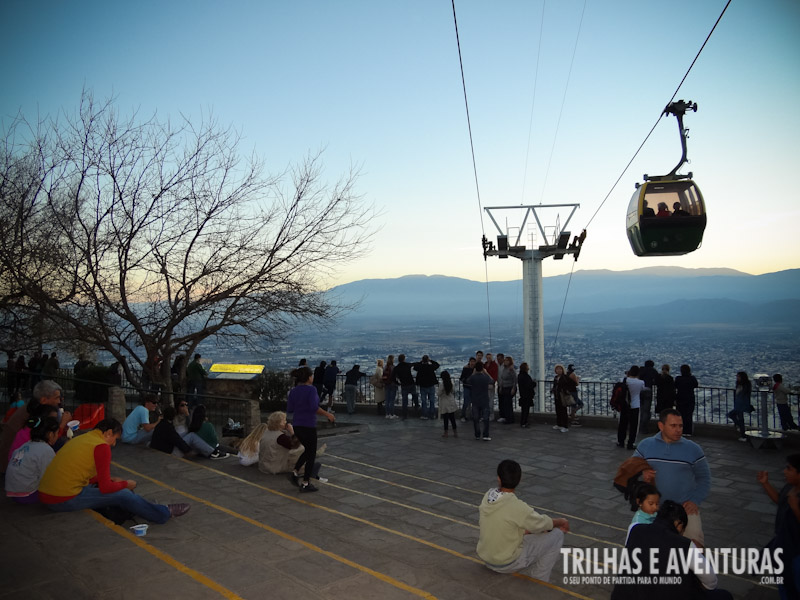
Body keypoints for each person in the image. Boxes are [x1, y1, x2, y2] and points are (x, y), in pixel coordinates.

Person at [38, 418, 190, 523]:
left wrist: (110, 480)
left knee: (113, 487)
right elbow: (106, 488)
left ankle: (145, 506)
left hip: (47, 495)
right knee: (122, 494)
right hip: (62, 499)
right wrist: (126, 484)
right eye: (115, 438)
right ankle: (163, 513)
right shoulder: (101, 447)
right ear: (108, 433)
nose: (114, 444)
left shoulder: (82, 438)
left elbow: (81, 475)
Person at [611, 500, 732, 600]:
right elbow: (711, 582)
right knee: (724, 596)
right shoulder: (685, 545)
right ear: (678, 524)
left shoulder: (634, 529)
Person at [477, 459, 568, 582]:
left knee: (532, 530)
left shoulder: (488, 495)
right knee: (557, 535)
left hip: (487, 558)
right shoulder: (517, 506)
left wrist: (538, 530)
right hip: (505, 563)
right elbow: (543, 523)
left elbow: (512, 524)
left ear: (499, 478)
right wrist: (561, 521)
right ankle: (539, 580)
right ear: (520, 480)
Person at [634, 409, 711, 546]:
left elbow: (704, 478)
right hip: (655, 510)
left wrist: (695, 500)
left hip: (685, 509)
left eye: (680, 426)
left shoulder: (693, 449)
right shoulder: (646, 446)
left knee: (696, 548)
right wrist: (642, 474)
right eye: (673, 426)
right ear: (661, 426)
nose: (678, 430)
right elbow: (631, 471)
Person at [0, 380, 70, 475]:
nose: (59, 401)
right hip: (19, 467)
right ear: (44, 400)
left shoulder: (31, 408)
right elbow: (49, 440)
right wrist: (62, 425)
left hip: (14, 463)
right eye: (57, 398)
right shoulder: (37, 417)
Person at [757, 454, 800, 599]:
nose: (785, 472)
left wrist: (795, 509)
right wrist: (765, 484)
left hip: (796, 549)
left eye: (789, 469)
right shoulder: (790, 488)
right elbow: (779, 501)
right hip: (783, 543)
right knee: (783, 583)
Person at [286, 366, 334, 492]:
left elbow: (290, 408)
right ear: (308, 377)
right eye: (311, 375)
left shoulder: (294, 391)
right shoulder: (311, 390)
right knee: (311, 453)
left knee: (308, 451)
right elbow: (314, 407)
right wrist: (327, 414)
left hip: (297, 424)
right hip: (308, 425)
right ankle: (306, 482)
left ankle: (295, 472)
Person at [258, 411, 327, 482]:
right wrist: (292, 432)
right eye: (284, 420)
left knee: (295, 453)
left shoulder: (266, 432)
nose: (286, 422)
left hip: (264, 466)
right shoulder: (280, 437)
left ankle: (312, 456)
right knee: (300, 450)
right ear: (279, 423)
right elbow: (296, 445)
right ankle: (312, 461)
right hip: (275, 467)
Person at [5, 416, 60, 504]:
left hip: (13, 494)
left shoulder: (26, 445)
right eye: (57, 433)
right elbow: (48, 477)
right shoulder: (46, 450)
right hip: (28, 495)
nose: (57, 436)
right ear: (50, 434)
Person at [151, 406, 227, 459]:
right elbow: (177, 440)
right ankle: (213, 452)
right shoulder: (168, 428)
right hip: (169, 452)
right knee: (192, 436)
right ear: (173, 416)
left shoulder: (161, 424)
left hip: (162, 449)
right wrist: (188, 450)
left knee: (187, 433)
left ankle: (205, 450)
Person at [618, 366, 645, 449]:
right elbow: (642, 390)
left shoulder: (624, 380)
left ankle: (621, 442)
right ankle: (631, 443)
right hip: (635, 405)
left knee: (623, 424)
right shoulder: (641, 382)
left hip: (625, 405)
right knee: (634, 426)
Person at [468, 362, 494, 441]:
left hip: (475, 400)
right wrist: (486, 373)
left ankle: (477, 435)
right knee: (486, 418)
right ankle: (485, 435)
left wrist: (473, 373)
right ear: (482, 368)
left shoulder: (473, 377)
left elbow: (467, 381)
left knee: (476, 419)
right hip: (484, 400)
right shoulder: (485, 377)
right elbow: (492, 381)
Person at [675, 364, 699, 437]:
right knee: (688, 415)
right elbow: (696, 385)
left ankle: (680, 430)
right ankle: (688, 431)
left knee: (680, 415)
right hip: (690, 398)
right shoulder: (692, 378)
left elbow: (675, 385)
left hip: (680, 398)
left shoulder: (678, 378)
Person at [413, 355, 440, 420]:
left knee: (424, 401)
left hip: (423, 386)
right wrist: (430, 360)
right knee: (432, 401)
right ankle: (432, 414)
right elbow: (437, 365)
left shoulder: (420, 367)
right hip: (431, 385)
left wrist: (421, 362)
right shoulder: (430, 367)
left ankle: (424, 414)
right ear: (427, 360)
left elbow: (415, 367)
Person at [727, 371, 752, 442]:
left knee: (733, 415)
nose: (737, 378)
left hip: (742, 404)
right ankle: (742, 430)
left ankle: (742, 432)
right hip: (739, 403)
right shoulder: (739, 384)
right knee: (740, 419)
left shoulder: (746, 385)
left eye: (738, 376)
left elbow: (744, 394)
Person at [392, 354, 418, 420]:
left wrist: (397, 383)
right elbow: (414, 364)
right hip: (411, 383)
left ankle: (404, 415)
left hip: (404, 385)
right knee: (415, 394)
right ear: (404, 359)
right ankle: (416, 405)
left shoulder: (397, 368)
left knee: (404, 401)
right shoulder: (407, 365)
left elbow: (393, 377)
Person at [638, 360, 658, 434]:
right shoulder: (653, 371)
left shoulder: (641, 370)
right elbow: (657, 380)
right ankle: (644, 428)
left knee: (641, 409)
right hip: (648, 390)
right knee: (646, 410)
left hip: (640, 390)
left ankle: (639, 426)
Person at [497, 356, 517, 424]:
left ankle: (510, 418)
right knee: (505, 403)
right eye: (505, 360)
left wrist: (513, 388)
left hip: (509, 387)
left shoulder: (511, 369)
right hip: (504, 388)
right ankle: (507, 417)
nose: (505, 361)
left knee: (508, 403)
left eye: (507, 360)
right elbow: (502, 378)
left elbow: (515, 379)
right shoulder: (504, 369)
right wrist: (500, 387)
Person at [551, 364, 571, 433]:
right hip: (557, 396)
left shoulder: (565, 377)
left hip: (562, 396)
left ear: (562, 370)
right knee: (558, 410)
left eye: (560, 369)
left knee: (563, 411)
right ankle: (559, 424)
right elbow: (555, 386)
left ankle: (565, 426)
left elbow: (568, 386)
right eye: (557, 369)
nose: (558, 370)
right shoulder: (556, 377)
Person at [438, 371, 458, 437]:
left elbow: (439, 394)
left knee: (445, 419)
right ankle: (455, 432)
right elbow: (453, 391)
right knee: (452, 418)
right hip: (451, 401)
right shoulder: (451, 383)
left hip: (444, 402)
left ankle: (446, 432)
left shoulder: (442, 384)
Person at [517, 362, 536, 428]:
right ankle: (524, 422)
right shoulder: (526, 376)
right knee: (526, 410)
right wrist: (534, 383)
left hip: (522, 394)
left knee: (523, 409)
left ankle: (522, 422)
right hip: (527, 395)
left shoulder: (520, 376)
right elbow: (529, 385)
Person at [459, 357, 476, 422]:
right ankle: (463, 415)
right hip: (467, 387)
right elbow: (462, 378)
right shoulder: (465, 369)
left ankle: (472, 415)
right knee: (466, 402)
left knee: (474, 403)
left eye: (473, 362)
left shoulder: (476, 369)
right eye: (471, 361)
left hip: (473, 388)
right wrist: (466, 380)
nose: (472, 363)